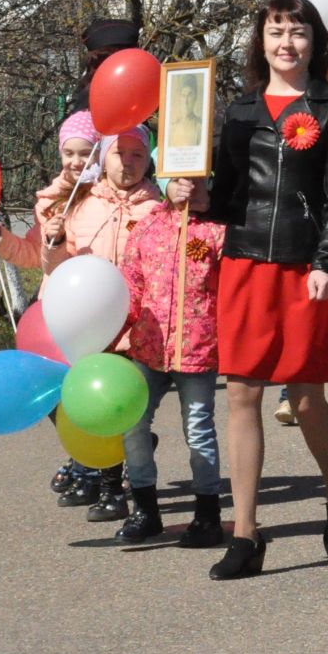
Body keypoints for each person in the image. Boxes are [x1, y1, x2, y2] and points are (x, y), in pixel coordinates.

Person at [172, 0, 328, 580]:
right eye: (276, 31)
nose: (287, 43)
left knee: (306, 398)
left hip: (307, 270)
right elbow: (226, 194)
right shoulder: (239, 109)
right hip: (246, 262)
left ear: (315, 41)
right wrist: (192, 195)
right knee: (243, 395)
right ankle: (248, 534)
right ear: (260, 40)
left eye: (298, 32)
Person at [0, 117, 161, 523]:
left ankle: (111, 487)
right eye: (120, 153)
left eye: (138, 154)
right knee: (62, 396)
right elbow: (45, 257)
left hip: (128, 325)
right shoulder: (78, 204)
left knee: (110, 402)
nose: (128, 162)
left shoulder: (156, 207)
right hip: (72, 319)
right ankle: (91, 469)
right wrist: (41, 238)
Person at [113, 197, 228, 545]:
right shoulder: (148, 226)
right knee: (133, 423)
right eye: (177, 177)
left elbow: (229, 291)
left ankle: (207, 516)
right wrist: (117, 329)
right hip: (148, 347)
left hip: (197, 347)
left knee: (198, 429)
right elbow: (131, 283)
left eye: (194, 178)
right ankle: (146, 511)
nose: (185, 185)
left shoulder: (217, 230)